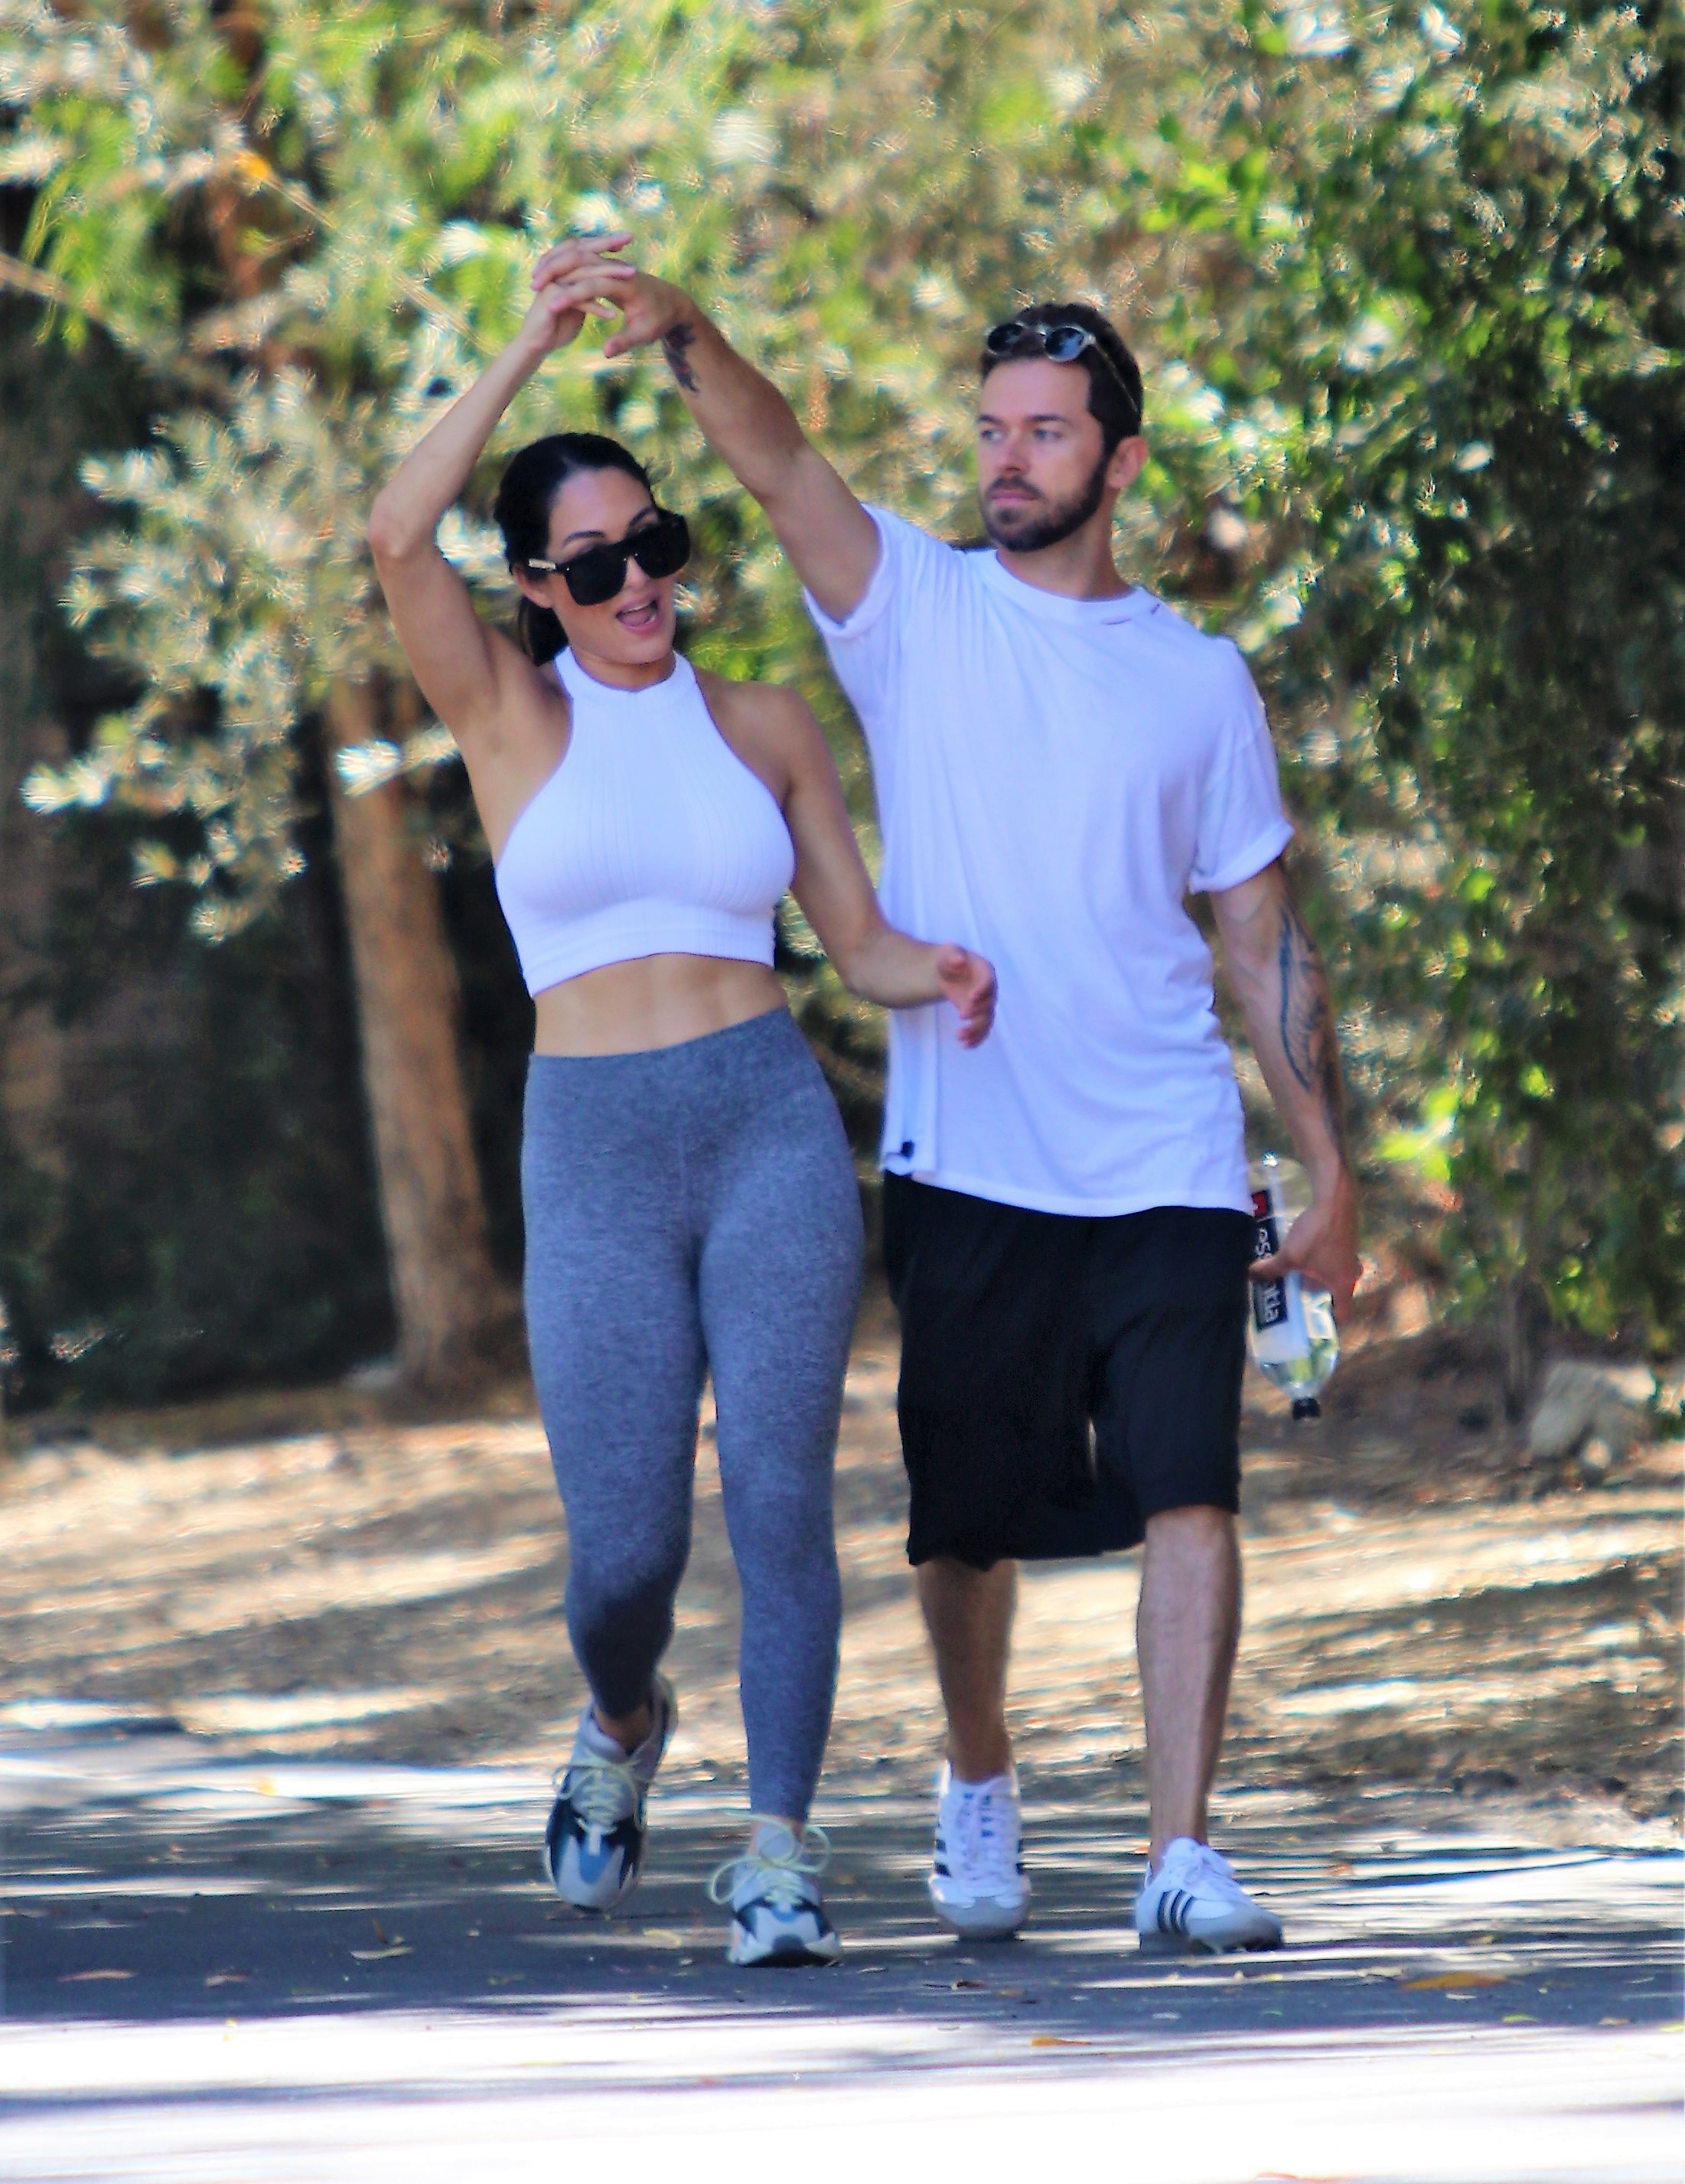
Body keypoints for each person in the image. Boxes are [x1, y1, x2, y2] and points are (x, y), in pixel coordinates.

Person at [547, 240, 1363, 1954]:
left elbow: (1262, 936)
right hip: (971, 1148)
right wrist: (685, 328)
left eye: (1047, 431)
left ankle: (1180, 1847)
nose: (1009, 456)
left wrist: (1328, 1164)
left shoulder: (1201, 681)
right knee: (968, 1523)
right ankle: (977, 1776)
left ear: (1120, 460)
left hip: (1165, 1146)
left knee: (1187, 1488)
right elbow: (775, 460)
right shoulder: (910, 609)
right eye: (993, 427)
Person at [365, 243, 996, 1967]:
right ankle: (625, 1720)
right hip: (592, 1150)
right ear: (541, 585)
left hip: (765, 1121)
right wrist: (521, 339)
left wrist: (927, 969)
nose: (642, 575)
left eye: (659, 541)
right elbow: (389, 535)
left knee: (784, 1496)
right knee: (626, 1552)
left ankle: (779, 1847)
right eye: (599, 560)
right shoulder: (503, 710)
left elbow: (847, 938)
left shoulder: (768, 723)